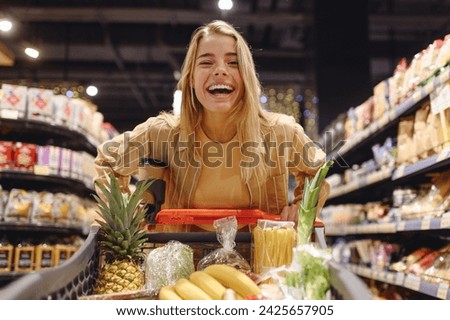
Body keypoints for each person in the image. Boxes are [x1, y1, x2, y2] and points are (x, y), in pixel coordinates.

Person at [94, 20, 330, 225]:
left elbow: (316, 171)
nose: (220, 71)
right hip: (183, 268)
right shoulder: (161, 134)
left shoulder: (281, 133)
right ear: (191, 79)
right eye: (206, 63)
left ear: (247, 76)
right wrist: (126, 214)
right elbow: (108, 161)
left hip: (260, 265)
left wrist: (302, 208)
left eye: (233, 63)